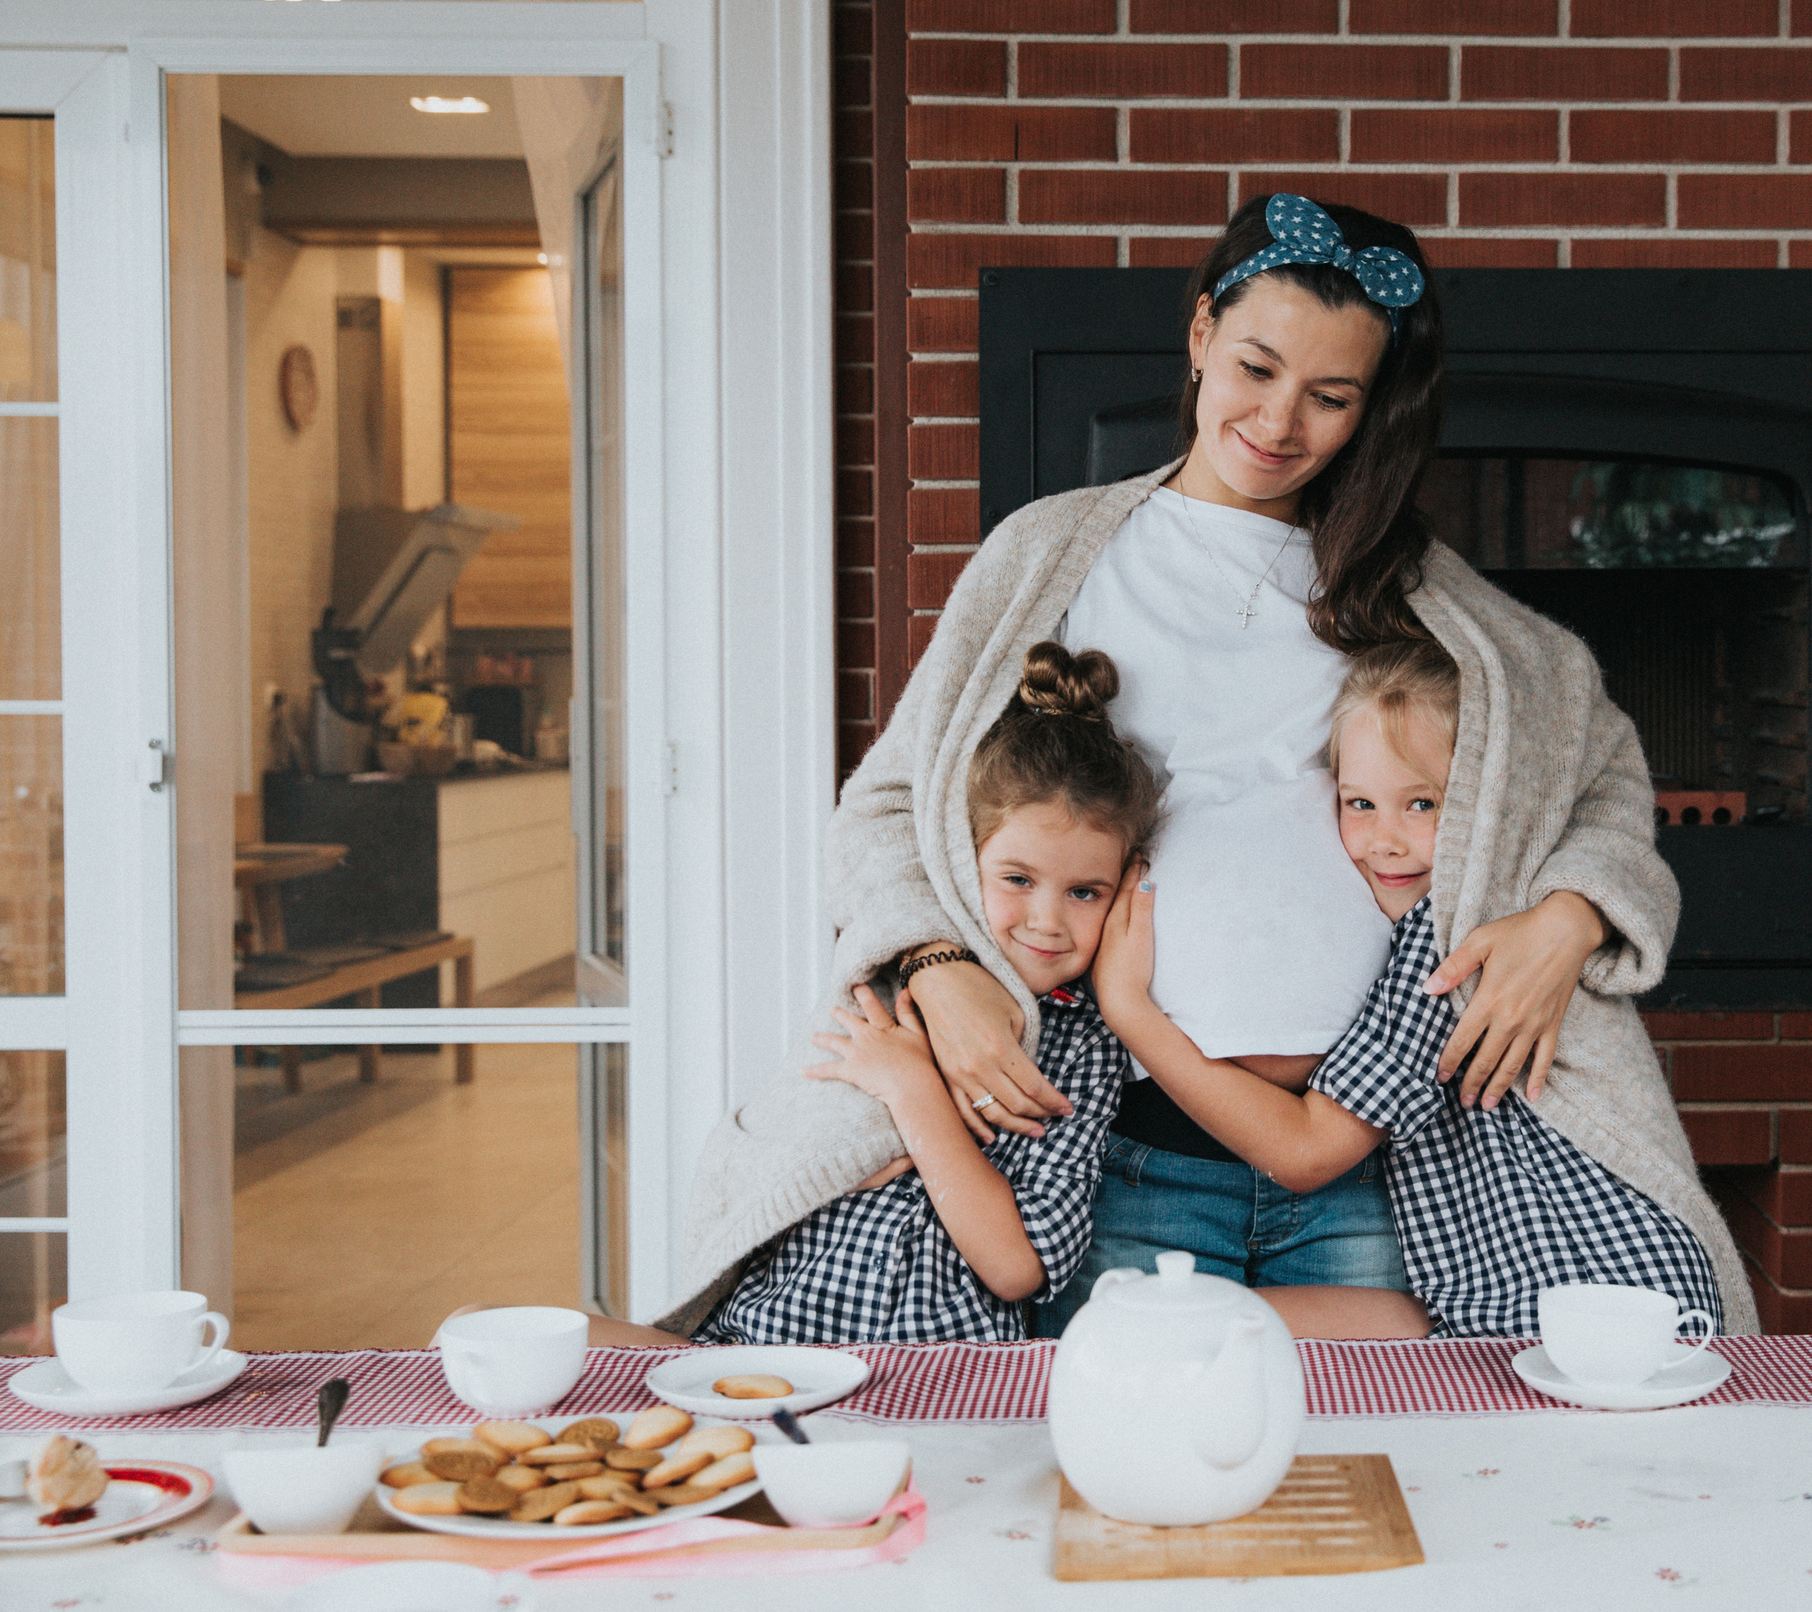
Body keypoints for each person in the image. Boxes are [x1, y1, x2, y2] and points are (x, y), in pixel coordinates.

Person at [660, 192, 1756, 1339]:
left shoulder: (1418, 597)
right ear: (1199, 336)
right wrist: (937, 966)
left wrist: (1570, 918)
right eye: (1255, 368)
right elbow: (889, 804)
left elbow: (1601, 771)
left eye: (1330, 396)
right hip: (1119, 1152)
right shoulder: (1051, 555)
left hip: (1369, 1154)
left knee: (1395, 1429)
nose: (1279, 421)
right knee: (1132, 1431)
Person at [1095, 641, 1723, 1338]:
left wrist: (1129, 1010)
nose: (1385, 840)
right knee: (1239, 1331)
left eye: (1422, 803)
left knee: (1181, 1328)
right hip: (1499, 1289)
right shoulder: (1487, 908)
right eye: (1359, 802)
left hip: (1579, 1291)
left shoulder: (1449, 941)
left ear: (1487, 804)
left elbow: (1307, 1152)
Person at [689, 642, 1152, 1341]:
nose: (1047, 920)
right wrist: (841, 1159)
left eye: (1084, 891)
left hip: (944, 1359)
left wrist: (914, 1095)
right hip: (767, 1337)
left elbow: (1016, 1268)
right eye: (1018, 879)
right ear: (962, 863)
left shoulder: (1086, 1048)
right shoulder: (883, 979)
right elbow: (778, 1161)